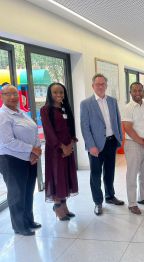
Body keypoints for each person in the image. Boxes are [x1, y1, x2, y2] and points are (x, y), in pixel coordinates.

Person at [0, 84, 42, 236]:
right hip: (12, 160)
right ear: (2, 96)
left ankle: (28, 220)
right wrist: (32, 149)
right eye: (7, 94)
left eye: (14, 94)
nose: (12, 97)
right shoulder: (2, 115)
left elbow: (35, 131)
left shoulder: (22, 113)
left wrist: (36, 152)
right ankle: (19, 226)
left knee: (28, 191)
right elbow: (7, 141)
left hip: (29, 159)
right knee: (17, 194)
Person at [80, 73, 124, 216]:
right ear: (93, 86)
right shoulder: (86, 103)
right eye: (97, 84)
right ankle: (98, 202)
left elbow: (117, 120)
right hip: (96, 146)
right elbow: (85, 127)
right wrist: (91, 145)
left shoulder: (112, 101)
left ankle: (110, 196)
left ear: (106, 85)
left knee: (110, 172)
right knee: (95, 174)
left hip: (111, 142)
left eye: (103, 84)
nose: (100, 86)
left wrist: (120, 139)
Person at [40, 83, 78, 221]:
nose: (59, 95)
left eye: (61, 92)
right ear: (50, 94)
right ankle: (57, 206)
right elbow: (49, 132)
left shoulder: (65, 108)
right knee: (57, 177)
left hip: (68, 148)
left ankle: (64, 206)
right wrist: (62, 147)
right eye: (55, 92)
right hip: (56, 151)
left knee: (66, 176)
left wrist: (71, 143)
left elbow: (71, 128)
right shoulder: (45, 110)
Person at [122, 82, 144, 215]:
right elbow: (128, 128)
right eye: (134, 91)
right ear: (130, 93)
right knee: (132, 173)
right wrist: (142, 141)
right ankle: (132, 203)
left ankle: (142, 197)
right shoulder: (127, 108)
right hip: (133, 144)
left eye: (140, 90)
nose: (137, 93)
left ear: (143, 92)